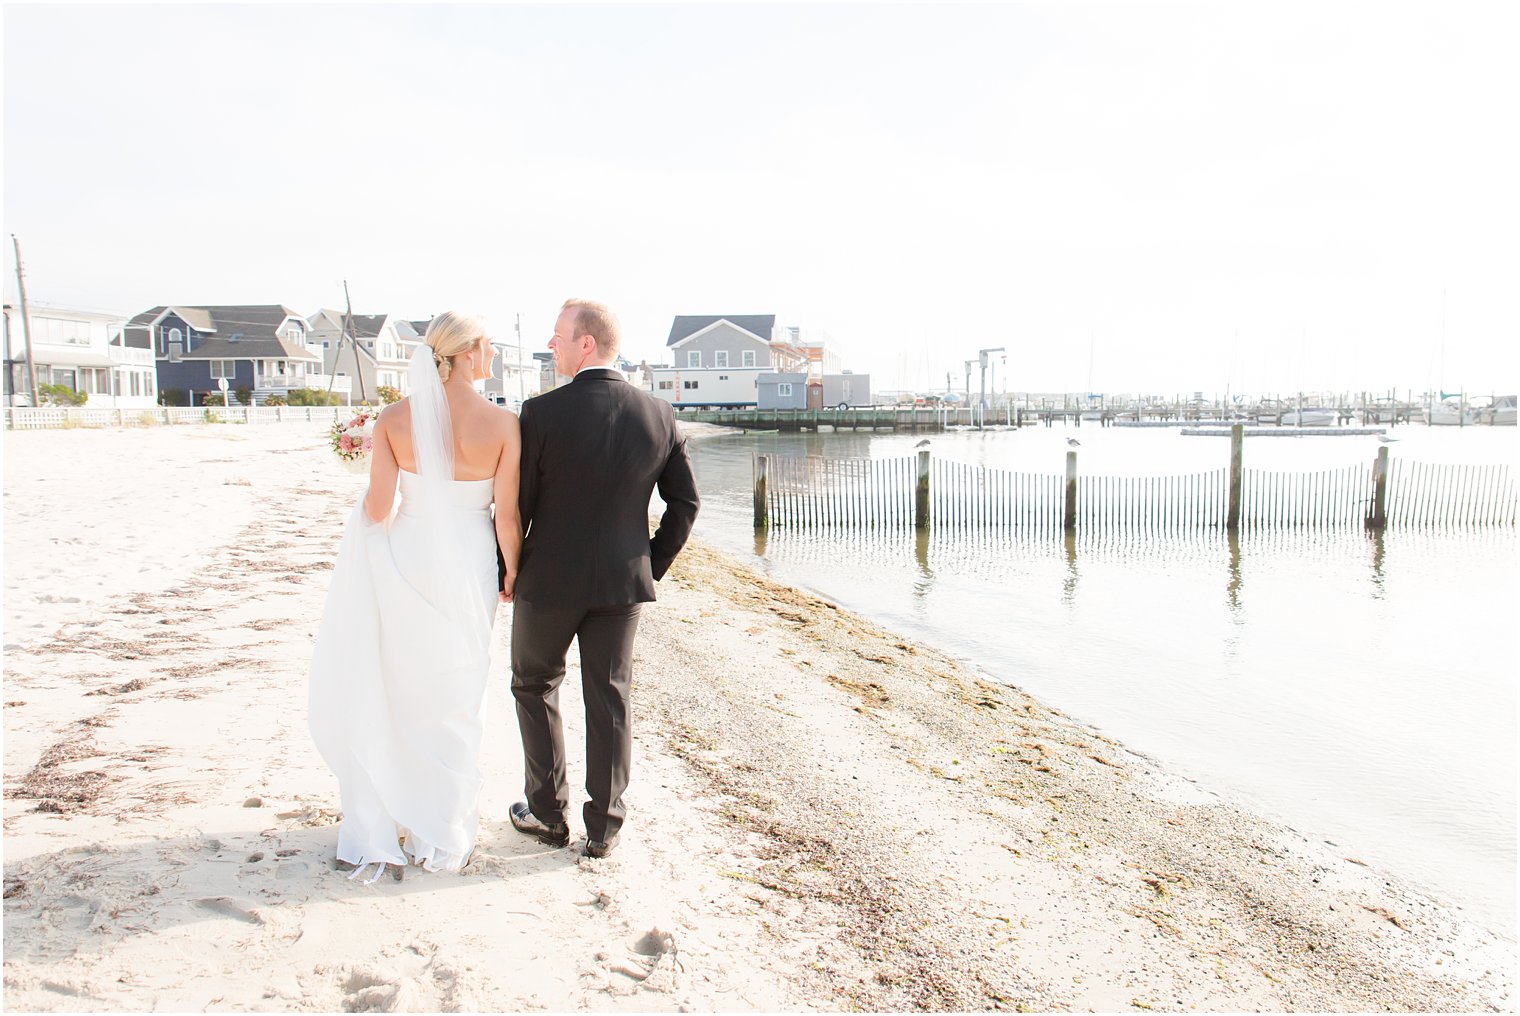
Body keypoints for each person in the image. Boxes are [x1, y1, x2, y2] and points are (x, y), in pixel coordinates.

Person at [309, 312, 522, 882]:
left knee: (399, 683)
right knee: (457, 689)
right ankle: (441, 830)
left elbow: (379, 509)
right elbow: (507, 518)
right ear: (472, 353)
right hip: (470, 560)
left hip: (406, 560)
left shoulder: (394, 419)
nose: (495, 356)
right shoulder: (504, 424)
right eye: (491, 347)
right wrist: (511, 575)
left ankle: (394, 808)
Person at [508, 299, 699, 858]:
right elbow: (685, 506)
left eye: (558, 336)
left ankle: (546, 814)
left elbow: (518, 507)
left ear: (585, 343)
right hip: (621, 585)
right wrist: (646, 562)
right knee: (610, 697)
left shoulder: (539, 414)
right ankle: (604, 827)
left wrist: (509, 571)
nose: (552, 345)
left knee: (534, 686)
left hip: (547, 582)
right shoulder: (659, 415)